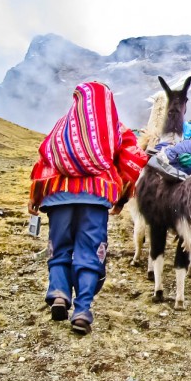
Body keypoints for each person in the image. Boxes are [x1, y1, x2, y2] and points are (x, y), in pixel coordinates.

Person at [28, 81, 148, 335]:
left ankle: (59, 294)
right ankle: (82, 310)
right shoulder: (115, 128)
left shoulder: (62, 126)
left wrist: (35, 196)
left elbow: (43, 162)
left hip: (58, 197)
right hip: (95, 198)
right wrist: (122, 199)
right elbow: (131, 163)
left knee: (59, 248)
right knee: (90, 252)